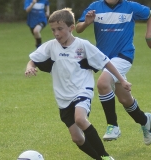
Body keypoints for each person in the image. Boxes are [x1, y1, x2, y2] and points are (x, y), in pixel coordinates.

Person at [25, 8, 132, 160]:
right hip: (63, 97)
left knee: (80, 119)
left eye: (60, 29)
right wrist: (30, 67)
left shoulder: (83, 45)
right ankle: (99, 159)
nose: (56, 33)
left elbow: (105, 62)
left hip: (82, 90)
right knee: (77, 138)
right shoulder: (51, 46)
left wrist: (122, 80)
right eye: (53, 30)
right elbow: (34, 59)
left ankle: (106, 156)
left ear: (71, 28)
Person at [76, 0, 151, 145]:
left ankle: (113, 126)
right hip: (105, 59)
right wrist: (87, 22)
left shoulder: (131, 6)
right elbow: (78, 28)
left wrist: (149, 36)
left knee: (102, 83)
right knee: (125, 99)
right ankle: (145, 120)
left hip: (124, 55)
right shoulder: (95, 7)